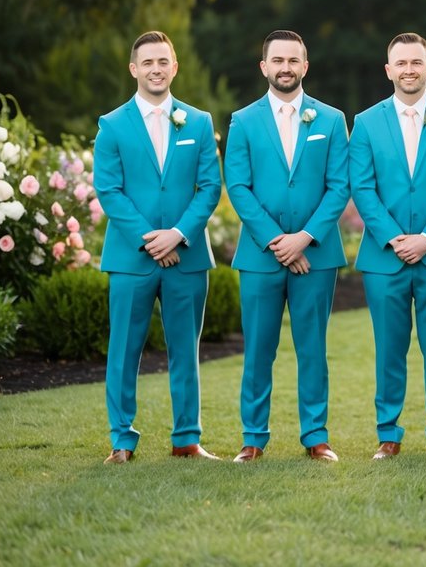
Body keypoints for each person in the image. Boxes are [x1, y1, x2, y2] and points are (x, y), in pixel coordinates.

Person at [93, 30, 222, 463]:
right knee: (124, 349)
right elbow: (109, 190)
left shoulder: (199, 122)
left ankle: (186, 439)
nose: (155, 69)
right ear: (134, 69)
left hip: (187, 256)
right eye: (147, 63)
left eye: (162, 61)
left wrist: (178, 234)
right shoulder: (111, 125)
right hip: (132, 257)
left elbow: (209, 187)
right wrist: (151, 239)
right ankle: (121, 442)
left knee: (186, 349)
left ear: (174, 66)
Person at [224, 30, 349, 463]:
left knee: (312, 347)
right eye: (277, 60)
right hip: (261, 256)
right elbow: (238, 186)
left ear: (305, 66)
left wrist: (304, 239)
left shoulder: (331, 120)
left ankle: (316, 437)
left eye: (293, 60)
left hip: (316, 255)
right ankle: (252, 439)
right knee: (258, 348)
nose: (285, 67)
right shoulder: (242, 121)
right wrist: (278, 242)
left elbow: (339, 187)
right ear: (264, 67)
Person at [349, 33, 426, 461]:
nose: (408, 69)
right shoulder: (365, 123)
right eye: (400, 63)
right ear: (388, 70)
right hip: (385, 257)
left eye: (416, 62)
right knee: (389, 348)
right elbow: (362, 187)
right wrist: (393, 237)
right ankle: (389, 433)